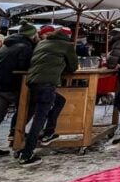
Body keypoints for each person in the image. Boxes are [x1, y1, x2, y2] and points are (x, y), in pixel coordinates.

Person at [17, 25, 77, 166]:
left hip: (32, 81)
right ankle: (27, 154)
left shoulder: (42, 43)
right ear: (67, 37)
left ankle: (48, 132)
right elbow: (73, 66)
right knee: (39, 117)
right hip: (47, 83)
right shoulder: (66, 46)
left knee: (59, 100)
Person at [0, 23, 37, 158]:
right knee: (28, 109)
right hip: (15, 86)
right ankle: (16, 135)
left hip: (0, 84)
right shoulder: (25, 47)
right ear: (31, 34)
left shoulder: (6, 45)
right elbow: (24, 66)